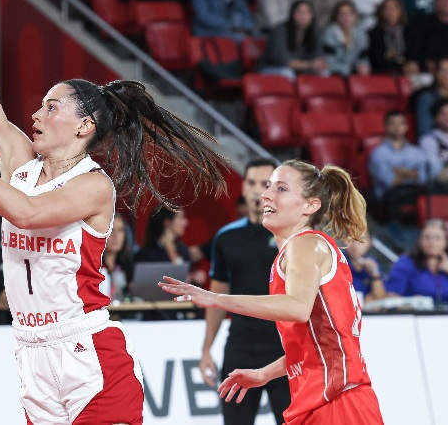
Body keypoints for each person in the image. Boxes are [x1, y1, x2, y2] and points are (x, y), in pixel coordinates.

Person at [0, 0, 226, 424]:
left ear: (84, 126)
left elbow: (27, 213)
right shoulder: (17, 158)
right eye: (39, 105)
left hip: (88, 353)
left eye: (52, 106)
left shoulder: (95, 186)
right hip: (30, 351)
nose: (36, 113)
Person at [161, 160, 384, 424]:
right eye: (268, 186)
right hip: (323, 400)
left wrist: (216, 299)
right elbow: (315, 345)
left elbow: (297, 308)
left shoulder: (305, 244)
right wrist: (265, 373)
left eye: (281, 189)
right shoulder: (299, 249)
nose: (265, 194)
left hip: (337, 404)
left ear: (310, 205)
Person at [200, 158, 290, 425]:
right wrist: (206, 349)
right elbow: (217, 297)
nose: (257, 191)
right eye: (252, 183)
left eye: (266, 184)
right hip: (240, 347)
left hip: (285, 349)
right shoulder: (226, 238)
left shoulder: (291, 236)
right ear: (243, 188)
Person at [384, 219, 448, 302]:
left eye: (437, 238)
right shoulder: (405, 263)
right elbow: (392, 296)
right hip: (415, 313)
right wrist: (411, 301)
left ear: (446, 242)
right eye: (427, 237)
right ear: (419, 241)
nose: (432, 242)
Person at [259, 0, 328, 79]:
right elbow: (283, 61)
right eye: (299, 12)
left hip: (299, 70)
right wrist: (310, 64)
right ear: (292, 14)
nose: (303, 15)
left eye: (307, 12)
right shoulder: (280, 30)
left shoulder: (313, 32)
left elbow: (318, 56)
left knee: (324, 73)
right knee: (287, 73)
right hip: (272, 68)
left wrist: (319, 64)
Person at [368, 110, 428, 201]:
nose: (397, 127)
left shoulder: (417, 152)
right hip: (389, 198)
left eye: (401, 123)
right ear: (386, 126)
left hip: (416, 193)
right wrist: (412, 173)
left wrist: (399, 171)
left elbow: (424, 178)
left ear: (406, 126)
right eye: (393, 124)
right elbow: (391, 182)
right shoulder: (379, 153)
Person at [367, 0, 419, 75]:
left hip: (409, 71)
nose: (391, 11)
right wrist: (401, 67)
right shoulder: (374, 33)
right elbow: (377, 60)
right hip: (385, 73)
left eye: (395, 8)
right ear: (381, 12)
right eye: (387, 8)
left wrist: (412, 63)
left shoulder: (410, 31)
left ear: (400, 11)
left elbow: (415, 52)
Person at [320, 0, 370, 77]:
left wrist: (363, 66)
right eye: (341, 14)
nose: (346, 17)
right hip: (333, 73)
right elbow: (329, 61)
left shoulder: (360, 34)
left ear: (355, 16)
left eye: (349, 14)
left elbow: (362, 56)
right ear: (336, 17)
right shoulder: (329, 33)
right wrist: (351, 69)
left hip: (353, 72)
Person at [344, 231, 387, 302]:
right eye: (351, 239)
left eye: (361, 239)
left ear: (370, 243)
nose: (355, 244)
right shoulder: (337, 261)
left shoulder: (373, 263)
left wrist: (375, 275)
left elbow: (381, 299)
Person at [100, 214, 134, 302]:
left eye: (120, 230)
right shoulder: (92, 265)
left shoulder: (127, 266)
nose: (115, 236)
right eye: (111, 230)